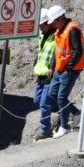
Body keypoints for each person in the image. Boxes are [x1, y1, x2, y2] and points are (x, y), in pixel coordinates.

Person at [46, 5, 84, 139]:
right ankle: (75, 112)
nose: (53, 25)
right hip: (59, 69)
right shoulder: (60, 30)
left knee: (61, 98)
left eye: (54, 22)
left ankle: (64, 127)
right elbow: (56, 49)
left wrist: (69, 67)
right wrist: (52, 66)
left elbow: (78, 50)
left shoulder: (72, 29)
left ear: (60, 18)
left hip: (69, 70)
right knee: (52, 94)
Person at [33, 8, 58, 140]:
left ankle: (45, 129)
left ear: (49, 23)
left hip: (50, 73)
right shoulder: (42, 34)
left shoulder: (56, 36)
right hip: (40, 73)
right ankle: (68, 110)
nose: (40, 27)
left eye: (42, 24)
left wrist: (52, 67)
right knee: (37, 100)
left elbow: (56, 53)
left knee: (44, 103)